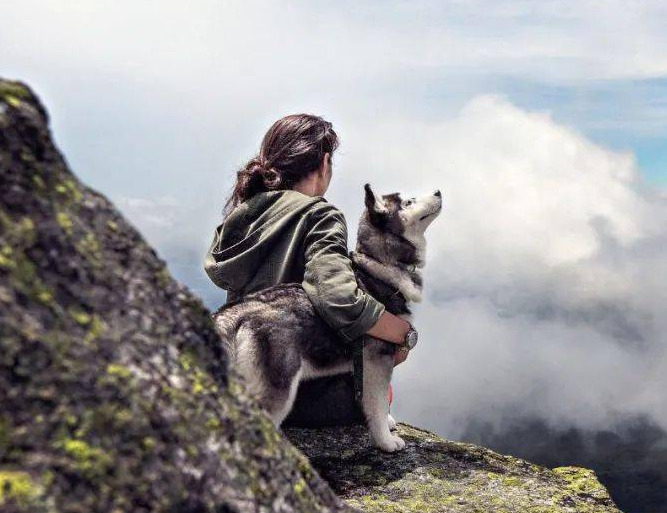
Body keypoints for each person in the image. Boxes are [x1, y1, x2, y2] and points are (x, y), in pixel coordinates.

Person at [204, 113, 413, 427]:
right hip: (299, 394)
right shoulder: (319, 215)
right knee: (381, 384)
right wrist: (402, 334)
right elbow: (338, 297)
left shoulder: (243, 215)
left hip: (242, 383)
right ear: (325, 162)